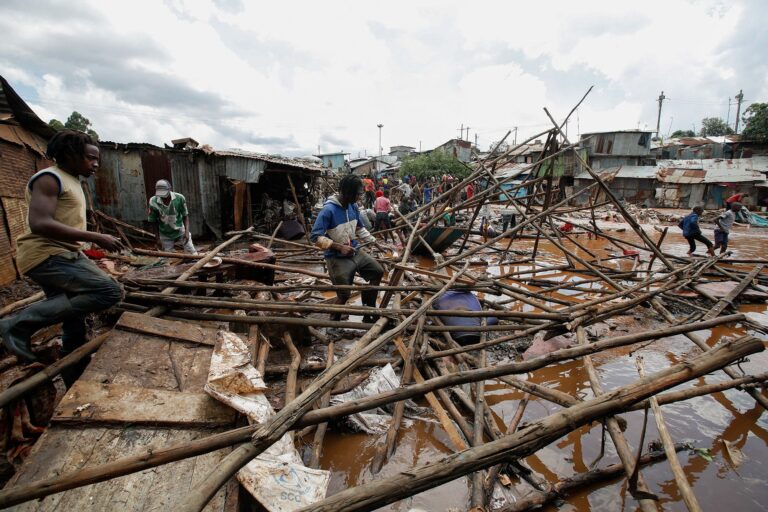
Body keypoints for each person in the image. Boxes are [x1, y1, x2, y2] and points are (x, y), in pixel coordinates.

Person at [0, 130, 124, 385]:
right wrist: (97, 237)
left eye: (96, 159)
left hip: (64, 253)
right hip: (48, 255)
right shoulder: (49, 179)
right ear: (70, 154)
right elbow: (39, 223)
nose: (96, 164)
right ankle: (15, 324)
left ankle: (74, 380)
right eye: (90, 158)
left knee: (74, 324)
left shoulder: (71, 180)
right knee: (109, 291)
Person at [310, 175, 385, 322]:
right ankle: (334, 322)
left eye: (360, 194)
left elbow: (359, 227)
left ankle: (368, 311)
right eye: (357, 194)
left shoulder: (353, 207)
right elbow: (315, 237)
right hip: (336, 256)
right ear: (347, 192)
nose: (359, 197)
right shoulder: (328, 210)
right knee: (344, 294)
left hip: (354, 251)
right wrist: (338, 247)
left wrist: (373, 241)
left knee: (377, 272)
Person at [148, 179, 197, 254]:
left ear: (170, 189)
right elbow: (153, 221)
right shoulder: (153, 201)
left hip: (180, 229)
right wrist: (157, 238)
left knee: (192, 253)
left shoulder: (180, 198)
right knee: (167, 257)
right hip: (164, 232)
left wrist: (186, 232)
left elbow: (185, 216)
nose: (163, 197)